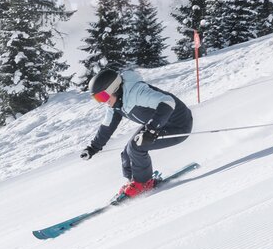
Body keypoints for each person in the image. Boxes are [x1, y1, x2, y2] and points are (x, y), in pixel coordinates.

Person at [79, 67, 193, 197]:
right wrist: (93, 147)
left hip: (179, 124)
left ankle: (143, 183)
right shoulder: (115, 104)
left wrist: (151, 129)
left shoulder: (136, 92)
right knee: (127, 152)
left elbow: (167, 102)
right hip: (158, 124)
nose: (102, 102)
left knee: (137, 147)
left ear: (113, 88)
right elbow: (107, 126)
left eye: (102, 96)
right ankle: (134, 181)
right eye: (98, 99)